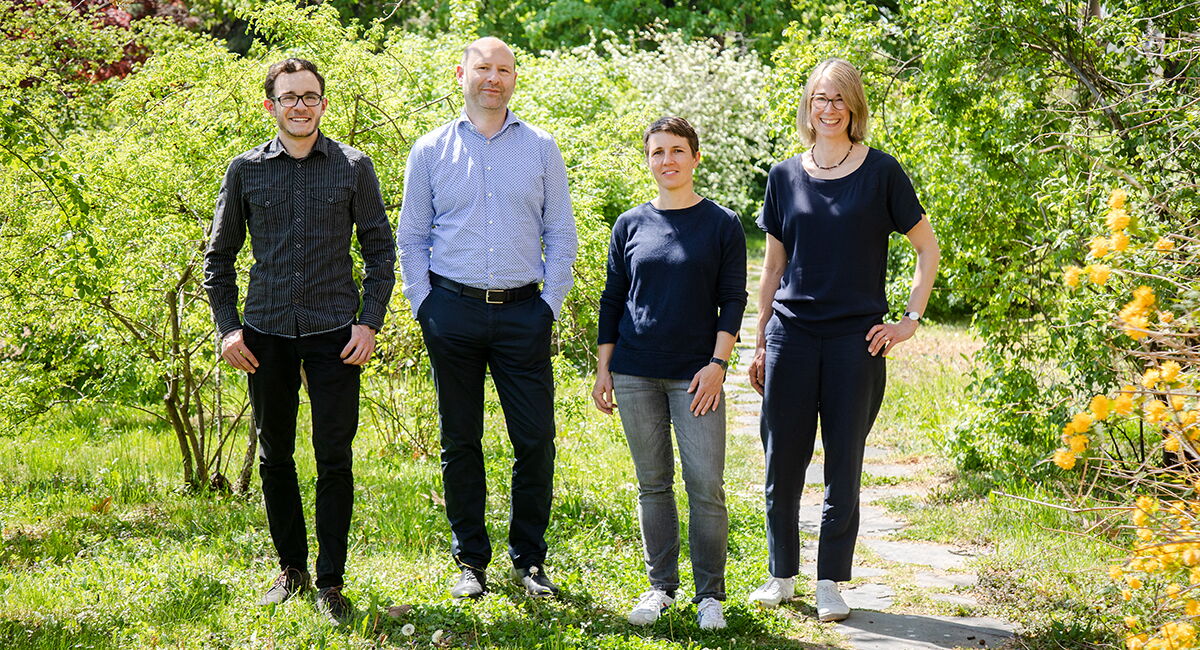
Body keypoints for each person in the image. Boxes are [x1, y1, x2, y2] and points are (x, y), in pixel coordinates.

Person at [202, 58, 396, 624]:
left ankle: (331, 581)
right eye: (288, 97)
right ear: (271, 106)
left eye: (309, 96)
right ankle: (291, 569)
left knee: (334, 457)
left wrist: (369, 322)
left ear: (323, 104)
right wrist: (227, 328)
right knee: (275, 456)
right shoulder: (245, 171)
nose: (300, 106)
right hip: (265, 334)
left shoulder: (354, 167)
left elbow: (380, 251)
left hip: (337, 333)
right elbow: (218, 257)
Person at [746, 58, 940, 621]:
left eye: (838, 99)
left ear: (854, 107)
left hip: (857, 342)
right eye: (819, 98)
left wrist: (909, 320)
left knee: (844, 464)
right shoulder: (784, 175)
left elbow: (927, 249)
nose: (828, 108)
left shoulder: (882, 172)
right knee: (782, 460)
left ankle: (830, 580)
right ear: (808, 106)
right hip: (791, 335)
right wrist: (760, 341)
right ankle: (782, 575)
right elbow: (773, 266)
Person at [396, 37, 577, 600]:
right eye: (483, 68)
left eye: (504, 70)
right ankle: (470, 561)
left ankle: (529, 561)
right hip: (451, 312)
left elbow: (561, 234)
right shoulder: (430, 149)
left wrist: (548, 306)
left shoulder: (541, 148)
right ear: (462, 74)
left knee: (536, 441)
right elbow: (411, 237)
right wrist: (424, 305)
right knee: (460, 440)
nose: (493, 78)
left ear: (514, 78)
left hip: (525, 313)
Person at [592, 116, 747, 630]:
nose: (668, 160)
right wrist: (604, 369)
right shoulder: (629, 224)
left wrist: (718, 365)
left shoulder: (722, 223)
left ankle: (710, 596)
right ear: (648, 161)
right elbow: (613, 299)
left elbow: (733, 300)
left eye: (677, 150)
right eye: (657, 152)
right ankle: (661, 587)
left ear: (695, 157)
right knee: (653, 484)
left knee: (705, 486)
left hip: (696, 377)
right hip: (635, 373)